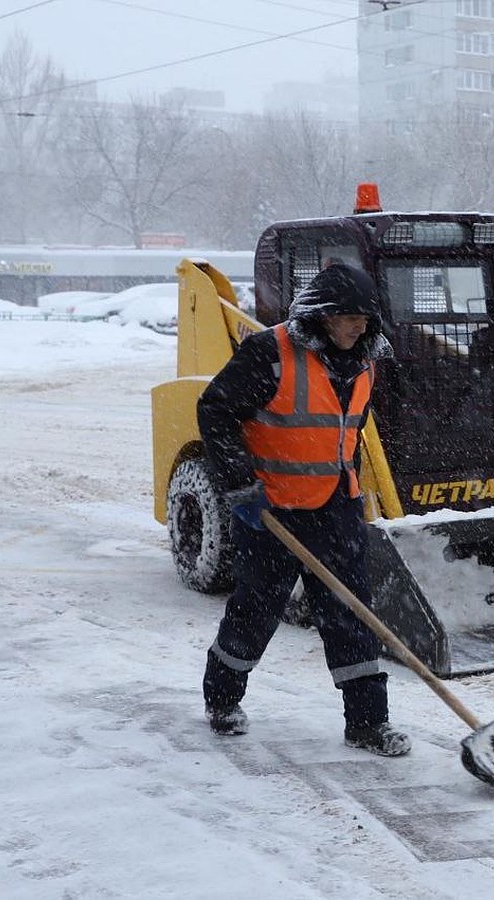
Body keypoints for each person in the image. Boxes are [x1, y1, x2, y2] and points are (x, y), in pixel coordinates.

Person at [197, 261, 410, 757]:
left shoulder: (365, 362)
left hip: (336, 508)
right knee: (257, 609)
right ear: (322, 316)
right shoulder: (269, 352)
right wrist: (239, 484)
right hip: (270, 510)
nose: (358, 326)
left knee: (351, 612)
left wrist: (348, 488)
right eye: (348, 316)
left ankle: (367, 723)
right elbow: (215, 410)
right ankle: (223, 700)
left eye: (365, 317)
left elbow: (343, 434)